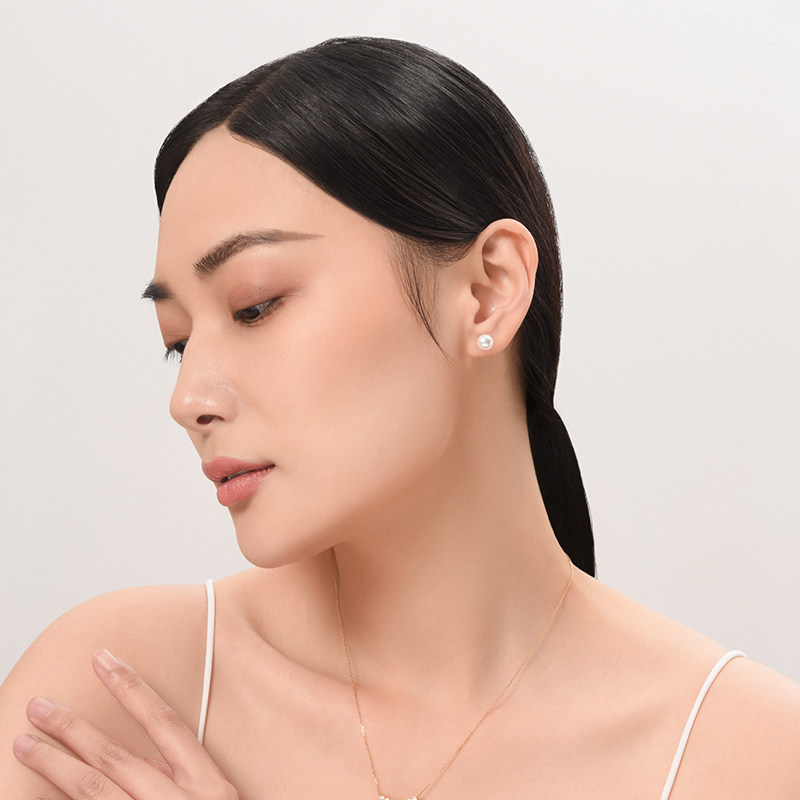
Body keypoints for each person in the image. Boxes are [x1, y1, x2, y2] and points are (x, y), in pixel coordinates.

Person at [1, 36, 798, 800]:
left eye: (255, 305)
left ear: (487, 291)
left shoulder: (747, 753)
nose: (188, 400)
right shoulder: (117, 697)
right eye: (178, 342)